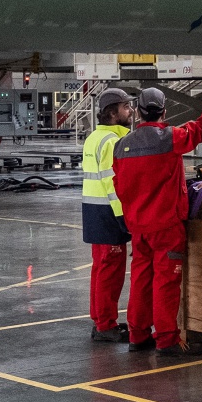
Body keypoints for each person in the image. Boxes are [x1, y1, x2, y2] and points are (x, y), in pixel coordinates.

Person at [111, 77, 202, 356]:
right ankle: (166, 340)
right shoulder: (170, 138)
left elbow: (119, 185)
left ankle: (138, 336)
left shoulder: (122, 146)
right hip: (165, 225)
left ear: (138, 113)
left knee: (141, 279)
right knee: (166, 281)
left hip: (138, 226)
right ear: (164, 112)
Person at [80, 87, 135, 343]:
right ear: (113, 113)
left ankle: (100, 320)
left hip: (94, 210)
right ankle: (105, 326)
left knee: (100, 270)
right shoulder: (113, 142)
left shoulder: (94, 137)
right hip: (108, 213)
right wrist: (124, 219)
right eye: (126, 107)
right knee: (110, 273)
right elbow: (113, 185)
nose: (131, 111)